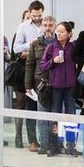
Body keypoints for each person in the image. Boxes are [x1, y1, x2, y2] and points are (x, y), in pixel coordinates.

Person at [40, 21, 78, 156]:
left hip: (70, 87)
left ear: (69, 34)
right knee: (54, 116)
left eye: (63, 31)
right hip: (55, 86)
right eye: (58, 31)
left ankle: (71, 146)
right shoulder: (51, 47)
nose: (59, 33)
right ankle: (53, 146)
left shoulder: (73, 47)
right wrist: (53, 61)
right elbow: (42, 66)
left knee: (71, 116)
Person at [11, 0, 45, 150]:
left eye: (39, 15)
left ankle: (46, 139)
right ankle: (32, 140)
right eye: (34, 15)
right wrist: (31, 44)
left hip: (45, 71)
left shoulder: (47, 25)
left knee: (45, 106)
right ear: (30, 13)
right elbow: (16, 48)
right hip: (28, 71)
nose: (37, 18)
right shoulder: (23, 27)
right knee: (30, 106)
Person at [25, 15, 56, 153]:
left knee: (56, 117)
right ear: (41, 27)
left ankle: (55, 145)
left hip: (57, 84)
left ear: (55, 26)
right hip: (40, 85)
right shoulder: (35, 44)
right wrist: (28, 86)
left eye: (50, 25)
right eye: (45, 25)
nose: (47, 28)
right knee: (42, 117)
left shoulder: (60, 43)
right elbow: (30, 66)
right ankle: (44, 145)